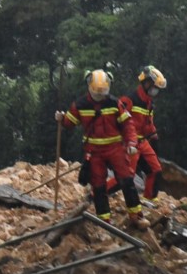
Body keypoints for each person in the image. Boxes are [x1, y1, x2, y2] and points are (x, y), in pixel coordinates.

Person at [55, 69, 145, 228]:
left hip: (115, 148)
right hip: (94, 152)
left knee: (126, 180)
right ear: (89, 87)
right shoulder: (80, 105)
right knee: (98, 185)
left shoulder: (114, 103)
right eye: (97, 93)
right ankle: (104, 221)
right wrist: (61, 118)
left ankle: (136, 215)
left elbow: (128, 125)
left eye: (102, 93)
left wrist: (132, 143)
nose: (100, 96)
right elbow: (69, 123)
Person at [106, 65, 167, 203]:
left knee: (155, 170)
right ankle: (95, 194)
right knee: (126, 176)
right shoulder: (129, 100)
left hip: (142, 142)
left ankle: (149, 200)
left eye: (157, 88)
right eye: (154, 87)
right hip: (129, 143)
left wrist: (154, 138)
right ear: (146, 83)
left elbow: (149, 124)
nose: (155, 90)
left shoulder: (149, 104)